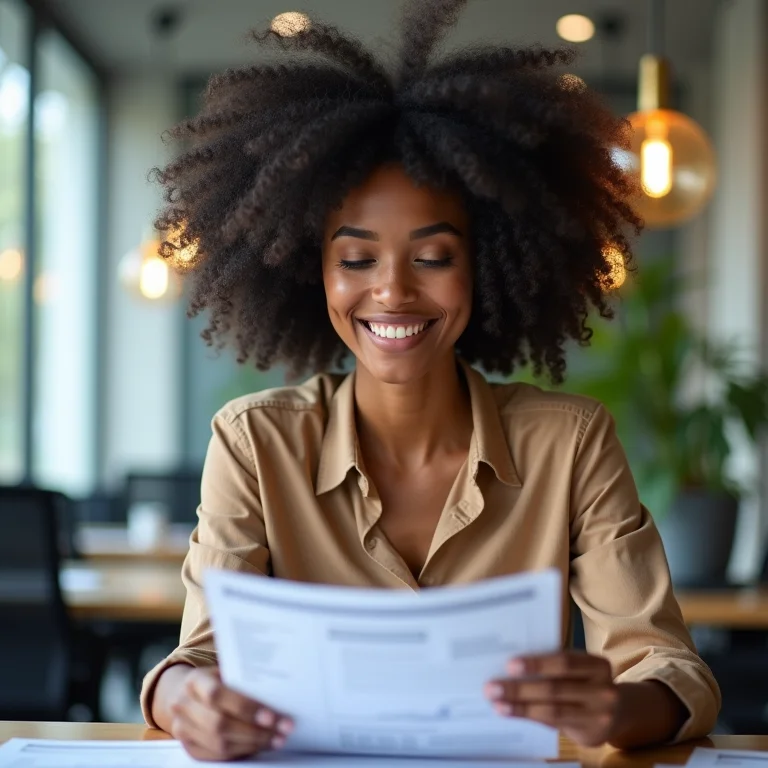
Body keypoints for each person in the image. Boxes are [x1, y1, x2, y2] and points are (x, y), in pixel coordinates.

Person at [141, 0, 720, 760]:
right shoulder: (255, 442)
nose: (391, 292)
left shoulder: (569, 444)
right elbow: (199, 661)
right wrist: (187, 701)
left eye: (434, 256)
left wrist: (616, 709)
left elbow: (669, 670)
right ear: (308, 271)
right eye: (356, 260)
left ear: (489, 265)